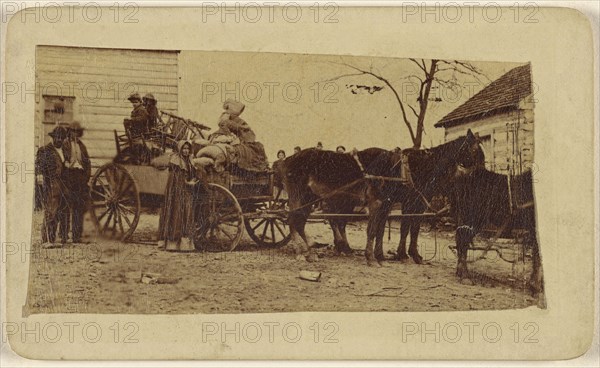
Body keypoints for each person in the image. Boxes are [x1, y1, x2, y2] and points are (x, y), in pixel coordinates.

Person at [157, 140, 198, 252]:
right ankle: (173, 244)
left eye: (187, 149)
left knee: (187, 214)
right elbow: (177, 179)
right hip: (177, 192)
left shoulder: (189, 160)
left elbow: (192, 174)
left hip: (187, 191)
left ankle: (185, 244)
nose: (186, 151)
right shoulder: (176, 161)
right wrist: (188, 183)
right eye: (184, 149)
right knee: (177, 214)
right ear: (180, 149)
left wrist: (193, 179)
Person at [35, 126, 69, 247]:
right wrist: (39, 176)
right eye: (57, 137)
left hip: (62, 184)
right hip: (50, 183)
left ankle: (56, 238)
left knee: (62, 210)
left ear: (64, 139)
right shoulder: (45, 150)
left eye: (61, 138)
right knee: (51, 210)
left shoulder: (65, 150)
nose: (59, 140)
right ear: (53, 137)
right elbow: (38, 166)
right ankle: (46, 240)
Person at [62, 121, 91, 243]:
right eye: (73, 131)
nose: (75, 134)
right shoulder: (65, 144)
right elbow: (63, 160)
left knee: (79, 207)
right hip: (69, 176)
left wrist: (86, 177)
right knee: (65, 206)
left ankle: (76, 236)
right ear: (69, 132)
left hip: (80, 177)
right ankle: (63, 235)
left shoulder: (81, 145)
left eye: (77, 132)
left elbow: (87, 162)